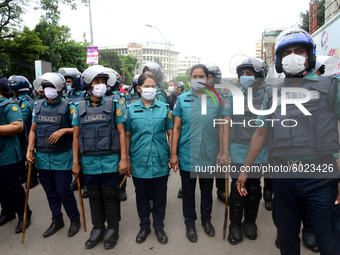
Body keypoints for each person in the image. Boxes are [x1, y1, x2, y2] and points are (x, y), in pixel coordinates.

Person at [236, 28, 340, 255]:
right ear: (279, 61)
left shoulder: (330, 87)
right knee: (286, 240)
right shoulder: (272, 94)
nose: (293, 56)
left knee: (330, 242)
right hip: (283, 176)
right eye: (287, 53)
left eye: (299, 51)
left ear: (310, 56)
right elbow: (260, 133)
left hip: (321, 175)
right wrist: (245, 170)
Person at [72, 65, 129, 250]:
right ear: (88, 86)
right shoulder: (79, 108)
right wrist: (75, 162)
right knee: (94, 195)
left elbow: (122, 133)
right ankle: (98, 227)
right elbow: (75, 136)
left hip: (111, 161)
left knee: (110, 194)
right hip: (89, 162)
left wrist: (124, 159)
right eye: (97, 82)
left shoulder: (114, 105)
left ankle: (113, 228)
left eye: (103, 82)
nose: (101, 85)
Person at [170, 64, 225, 243]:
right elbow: (176, 128)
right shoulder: (182, 99)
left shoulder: (216, 99)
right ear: (190, 78)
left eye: (202, 76)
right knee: (188, 192)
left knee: (207, 191)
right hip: (187, 154)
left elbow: (222, 127)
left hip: (209, 154)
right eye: (195, 76)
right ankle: (190, 223)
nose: (199, 79)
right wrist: (173, 154)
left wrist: (223, 151)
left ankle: (206, 220)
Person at [27, 72, 80, 238]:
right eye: (45, 86)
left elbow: (79, 129)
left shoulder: (69, 107)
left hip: (62, 157)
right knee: (50, 191)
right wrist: (30, 149)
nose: (48, 90)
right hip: (42, 157)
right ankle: (57, 219)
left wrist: (64, 130)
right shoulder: (38, 105)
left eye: (51, 86)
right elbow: (33, 130)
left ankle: (75, 219)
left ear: (59, 88)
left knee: (64, 190)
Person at [224, 55, 269, 245]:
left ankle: (250, 222)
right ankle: (235, 224)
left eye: (248, 73)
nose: (244, 76)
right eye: (242, 73)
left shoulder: (269, 94)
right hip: (237, 148)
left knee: (253, 186)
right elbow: (226, 124)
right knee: (237, 186)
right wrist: (224, 150)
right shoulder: (232, 95)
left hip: (260, 150)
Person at [125, 73, 173, 245]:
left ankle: (159, 226)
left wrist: (173, 155)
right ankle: (144, 226)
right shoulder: (130, 109)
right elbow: (127, 136)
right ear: (139, 88)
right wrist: (126, 159)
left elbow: (170, 132)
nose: (151, 89)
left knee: (160, 196)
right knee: (142, 197)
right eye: (147, 86)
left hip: (160, 159)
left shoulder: (164, 108)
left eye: (154, 86)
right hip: (139, 160)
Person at [0, 77, 32, 233]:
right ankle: (7, 212)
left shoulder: (9, 105)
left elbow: (18, 126)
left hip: (7, 154)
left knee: (12, 186)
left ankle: (24, 214)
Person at [9, 75, 39, 189]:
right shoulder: (20, 100)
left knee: (30, 153)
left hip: (26, 132)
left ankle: (33, 177)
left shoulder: (25, 101)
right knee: (23, 153)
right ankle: (24, 174)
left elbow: (23, 117)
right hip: (23, 133)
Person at [205, 63, 229, 204]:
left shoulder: (223, 96)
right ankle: (185, 186)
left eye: (209, 77)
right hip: (199, 137)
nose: (206, 80)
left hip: (217, 136)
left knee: (219, 164)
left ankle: (221, 190)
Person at [104, 68, 128, 201]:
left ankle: (122, 188)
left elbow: (123, 115)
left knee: (120, 162)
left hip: (116, 132)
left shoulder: (119, 97)